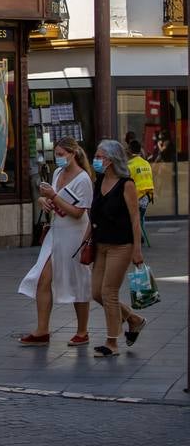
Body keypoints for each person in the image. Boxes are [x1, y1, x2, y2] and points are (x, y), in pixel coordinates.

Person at [18, 137, 94, 347]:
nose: (58, 159)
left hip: (74, 235)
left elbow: (79, 213)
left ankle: (82, 330)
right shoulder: (58, 173)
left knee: (77, 279)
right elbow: (53, 198)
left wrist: (54, 196)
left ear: (73, 154)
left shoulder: (83, 179)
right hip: (56, 232)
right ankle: (42, 330)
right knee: (43, 277)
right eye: (56, 154)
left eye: (61, 155)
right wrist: (44, 200)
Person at [87, 139, 147, 358]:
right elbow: (93, 214)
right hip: (101, 243)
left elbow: (134, 219)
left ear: (111, 160)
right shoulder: (99, 180)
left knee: (108, 292)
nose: (96, 159)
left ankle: (112, 343)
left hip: (121, 245)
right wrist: (86, 240)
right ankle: (134, 319)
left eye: (100, 156)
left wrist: (137, 250)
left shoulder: (126, 184)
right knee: (96, 292)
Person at [127, 139, 154, 236]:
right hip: (146, 199)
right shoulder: (146, 163)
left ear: (129, 150)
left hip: (136, 198)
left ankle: (132, 236)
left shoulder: (129, 165)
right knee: (140, 217)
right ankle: (141, 233)